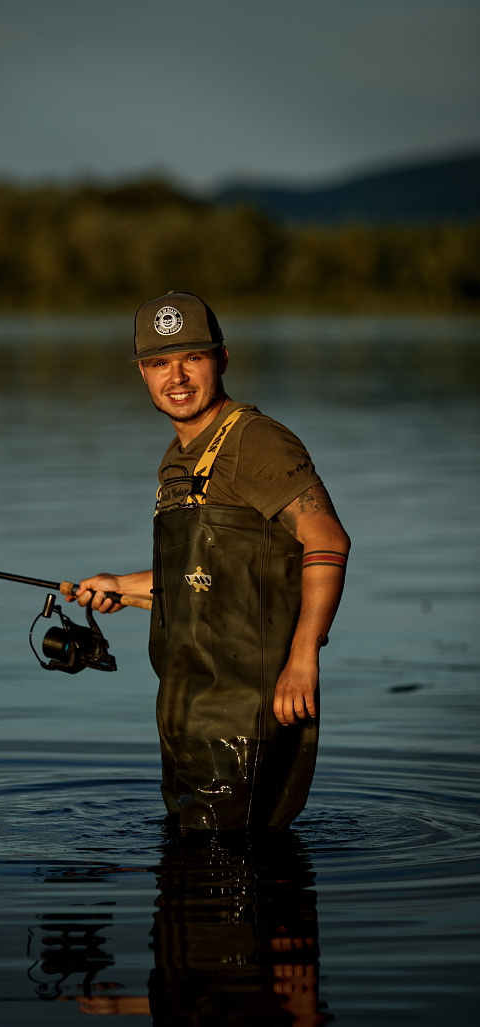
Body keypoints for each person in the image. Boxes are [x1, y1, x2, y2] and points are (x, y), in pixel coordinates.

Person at [67, 292, 350, 832]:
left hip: (248, 707)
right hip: (186, 708)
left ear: (221, 359)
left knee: (226, 872)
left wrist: (303, 658)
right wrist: (121, 587)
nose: (176, 377)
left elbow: (328, 540)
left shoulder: (256, 441)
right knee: (193, 873)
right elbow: (207, 580)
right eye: (158, 363)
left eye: (192, 358)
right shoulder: (176, 459)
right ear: (143, 374)